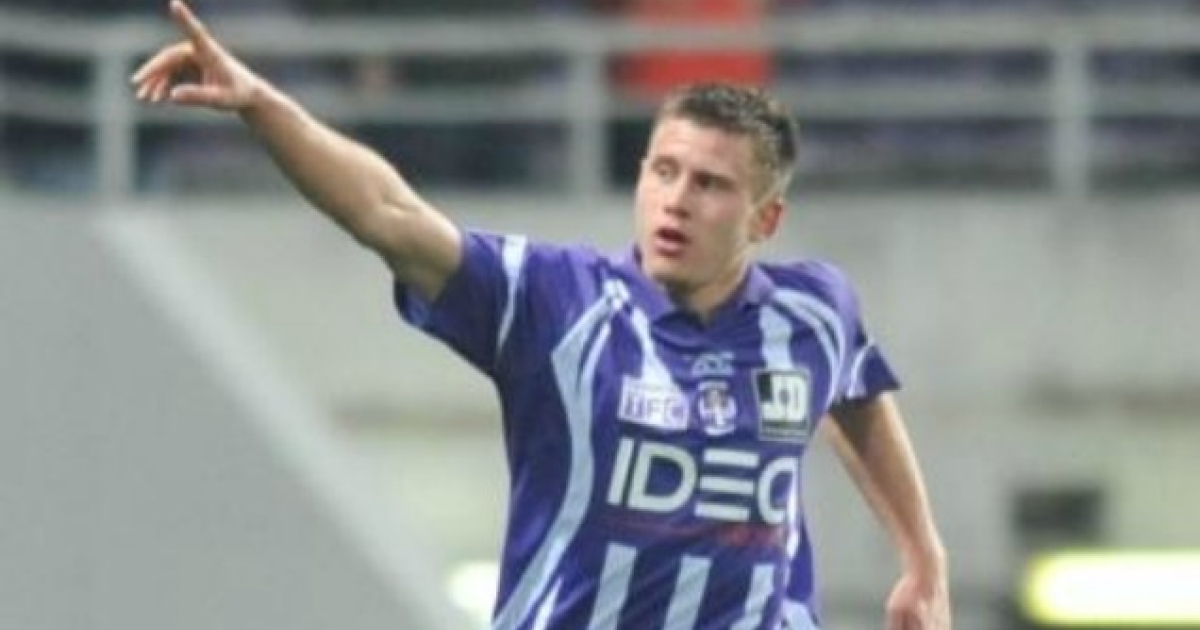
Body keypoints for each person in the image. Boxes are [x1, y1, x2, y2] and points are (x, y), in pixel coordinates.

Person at [132, 2, 952, 628]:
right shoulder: (555, 301)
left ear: (765, 219)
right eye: (663, 171)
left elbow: (856, 394)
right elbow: (387, 213)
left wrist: (922, 554)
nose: (675, 201)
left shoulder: (814, 311)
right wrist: (260, 105)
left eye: (709, 185)